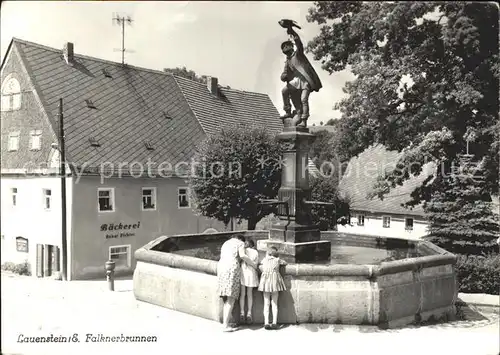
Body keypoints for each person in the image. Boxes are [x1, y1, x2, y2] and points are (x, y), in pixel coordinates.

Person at [280, 27, 322, 127]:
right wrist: (284, 76)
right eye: (283, 47)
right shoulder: (288, 60)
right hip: (296, 81)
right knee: (284, 91)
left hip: (305, 80)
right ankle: (288, 111)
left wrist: (292, 32)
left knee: (304, 99)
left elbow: (299, 44)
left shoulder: (298, 54)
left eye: (287, 46)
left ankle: (304, 120)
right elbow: (284, 73)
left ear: (291, 46)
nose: (285, 48)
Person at [217, 234, 257, 332]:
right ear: (241, 240)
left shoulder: (226, 243)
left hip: (221, 267)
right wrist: (253, 264)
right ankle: (225, 325)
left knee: (225, 296)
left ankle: (225, 323)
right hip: (231, 268)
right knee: (231, 298)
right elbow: (243, 255)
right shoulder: (240, 243)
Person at [258, 246, 287, 330]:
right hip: (275, 282)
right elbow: (285, 263)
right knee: (274, 303)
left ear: (267, 253)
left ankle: (266, 322)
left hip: (265, 282)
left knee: (266, 303)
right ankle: (274, 322)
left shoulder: (264, 260)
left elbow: (260, 264)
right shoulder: (278, 260)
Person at [239, 238, 260, 324]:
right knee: (250, 294)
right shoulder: (255, 252)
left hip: (243, 272)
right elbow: (257, 263)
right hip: (251, 273)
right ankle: (249, 313)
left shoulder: (243, 250)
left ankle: (242, 312)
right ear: (253, 245)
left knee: (242, 294)